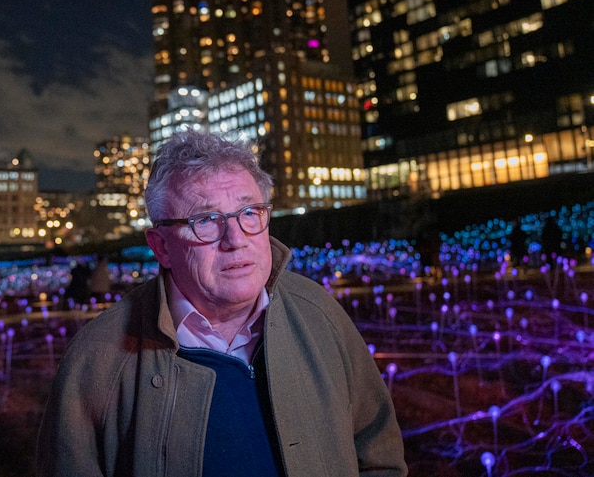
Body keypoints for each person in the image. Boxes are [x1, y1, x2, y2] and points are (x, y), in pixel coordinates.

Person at [36, 130, 406, 476]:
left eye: (249, 213)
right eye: (206, 220)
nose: (236, 239)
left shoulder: (318, 313)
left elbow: (378, 452)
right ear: (161, 246)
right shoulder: (99, 358)